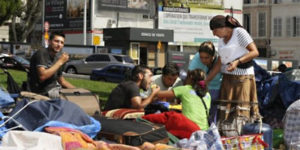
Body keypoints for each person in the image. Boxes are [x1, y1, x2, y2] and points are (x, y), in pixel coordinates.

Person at [209, 15, 260, 122]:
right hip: (227, 79)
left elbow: (254, 52)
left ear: (223, 27)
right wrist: (206, 80)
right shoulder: (221, 40)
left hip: (242, 78)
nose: (214, 34)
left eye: (214, 30)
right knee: (226, 114)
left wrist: (237, 62)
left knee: (241, 112)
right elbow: (219, 63)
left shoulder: (239, 33)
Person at [28, 32, 75, 98]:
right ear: (49, 42)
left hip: (55, 89)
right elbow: (42, 77)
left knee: (77, 97)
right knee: (69, 101)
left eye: (62, 43)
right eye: (56, 41)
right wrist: (60, 62)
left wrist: (77, 90)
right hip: (42, 92)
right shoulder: (42, 53)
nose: (59, 45)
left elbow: (62, 81)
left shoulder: (57, 58)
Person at [188, 41, 222, 123]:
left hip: (217, 90)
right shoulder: (196, 59)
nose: (203, 60)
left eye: (206, 58)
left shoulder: (220, 59)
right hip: (201, 90)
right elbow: (190, 76)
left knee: (214, 117)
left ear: (213, 56)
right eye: (201, 57)